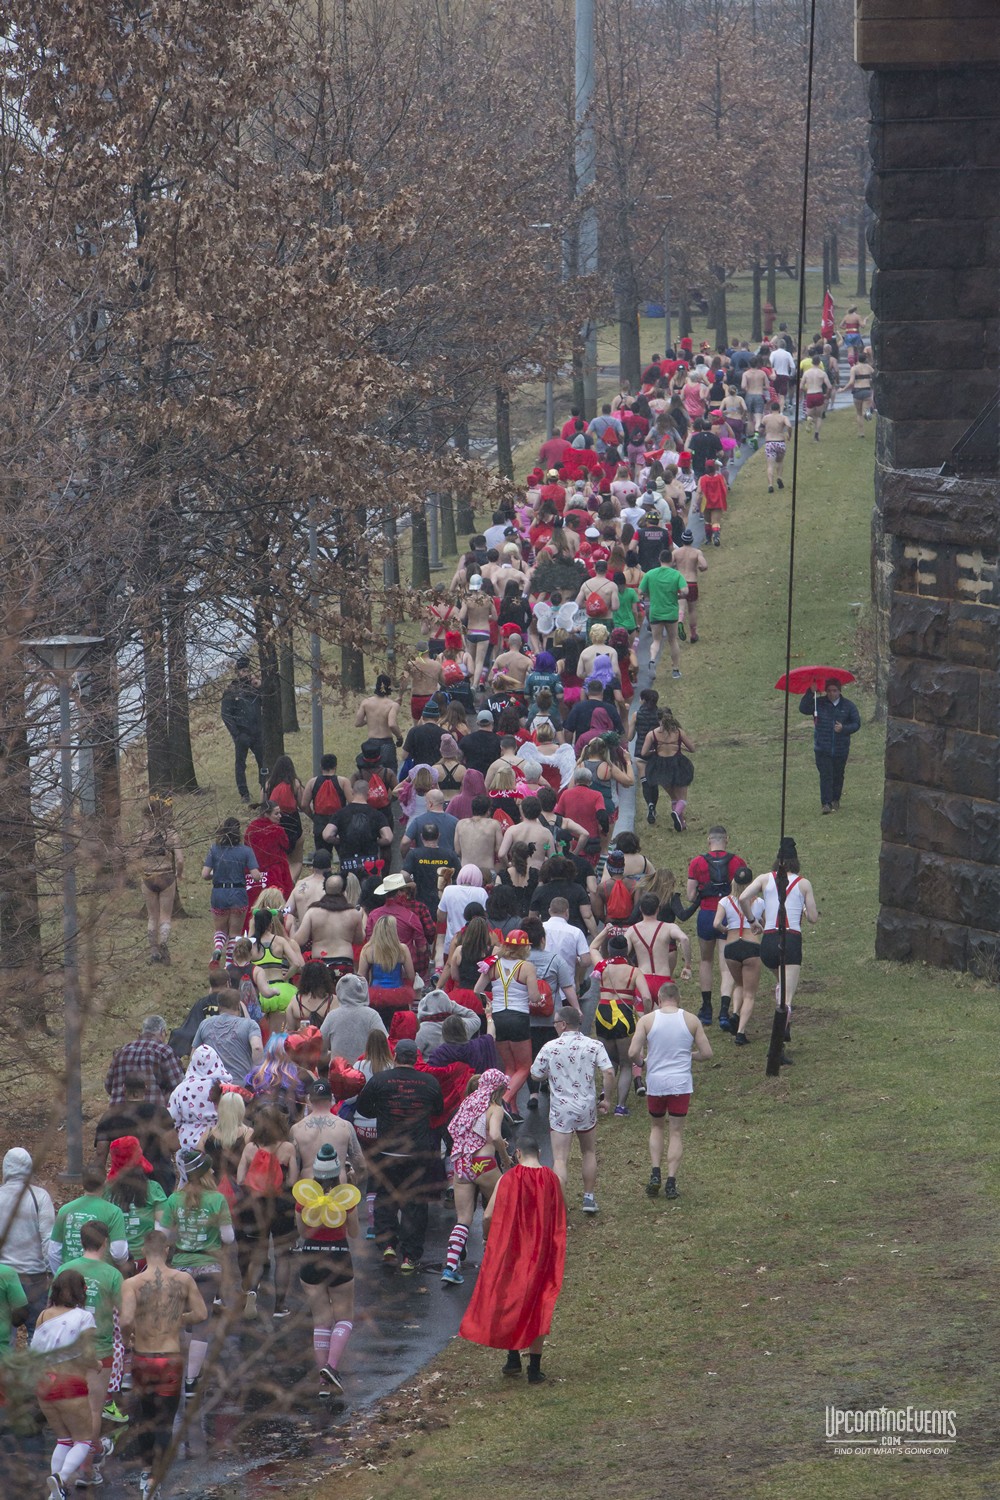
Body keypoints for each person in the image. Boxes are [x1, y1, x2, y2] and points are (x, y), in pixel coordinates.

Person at [459, 1125, 566, 1383]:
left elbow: (487, 1214)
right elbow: (561, 1214)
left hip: (513, 1252)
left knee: (511, 1300)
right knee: (539, 1303)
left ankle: (513, 1358)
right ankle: (534, 1369)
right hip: (541, 1253)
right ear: (538, 1152)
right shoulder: (552, 1179)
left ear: (517, 1153)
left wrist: (487, 1237)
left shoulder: (508, 1179)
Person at [120, 1229, 207, 1499]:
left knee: (145, 1418)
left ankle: (147, 1474)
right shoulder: (183, 1279)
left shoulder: (133, 1283)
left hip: (144, 1357)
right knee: (166, 1421)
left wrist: (129, 1339)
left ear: (143, 1252)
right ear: (167, 1250)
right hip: (170, 1358)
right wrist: (178, 1320)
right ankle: (157, 1478)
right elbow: (202, 1314)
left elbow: (124, 1320)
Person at [355, 1039, 443, 1273]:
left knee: (385, 1198)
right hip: (417, 1153)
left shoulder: (380, 1081)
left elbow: (362, 1108)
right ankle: (410, 1256)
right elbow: (438, 1110)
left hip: (387, 1151)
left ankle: (388, 1245)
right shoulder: (429, 1083)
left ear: (395, 1057)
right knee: (415, 1204)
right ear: (415, 1058)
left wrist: (383, 1112)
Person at [160, 1149, 236, 1397]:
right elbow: (228, 1237)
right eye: (210, 1168)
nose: (214, 1171)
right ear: (205, 1173)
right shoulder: (217, 1199)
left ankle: (176, 1371)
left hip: (181, 1265)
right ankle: (192, 1380)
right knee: (202, 1323)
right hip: (209, 1266)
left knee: (181, 1320)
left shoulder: (174, 1200)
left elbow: (165, 1236)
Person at [628, 981, 713, 1199]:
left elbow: (632, 1053)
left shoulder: (647, 1020)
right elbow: (707, 1053)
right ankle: (671, 1181)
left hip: (656, 1082)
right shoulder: (691, 1020)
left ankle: (655, 1172)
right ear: (679, 998)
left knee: (656, 1127)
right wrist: (688, 1055)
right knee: (676, 1132)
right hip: (680, 1083)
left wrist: (643, 1062)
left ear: (659, 999)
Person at [530, 1007, 614, 1214]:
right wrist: (607, 1099)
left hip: (560, 1109)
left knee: (560, 1158)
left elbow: (535, 1074)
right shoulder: (594, 1045)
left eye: (555, 1023)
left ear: (563, 1024)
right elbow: (609, 1071)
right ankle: (588, 1197)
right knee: (588, 1151)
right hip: (586, 1107)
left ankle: (559, 1204)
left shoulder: (550, 1047)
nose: (554, 1026)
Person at [294, 1143, 361, 1398]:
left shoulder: (304, 1200)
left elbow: (302, 1233)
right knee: (344, 1317)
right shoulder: (346, 1199)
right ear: (337, 1173)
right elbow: (354, 1233)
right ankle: (332, 1367)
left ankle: (324, 1381)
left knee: (321, 1319)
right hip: (339, 1256)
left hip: (310, 1257)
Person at [59, 1219, 124, 1481]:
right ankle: (87, 1468)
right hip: (100, 1348)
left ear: (81, 1241)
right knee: (94, 1409)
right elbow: (123, 1313)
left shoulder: (65, 1268)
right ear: (105, 1242)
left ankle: (66, 1464)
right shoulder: (112, 1274)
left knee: (72, 1407)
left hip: (69, 1349)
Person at [440, 1068, 512, 1287]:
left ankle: (450, 1267)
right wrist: (505, 1157)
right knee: (501, 1211)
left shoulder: (467, 1104)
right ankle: (495, 1261)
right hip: (483, 1164)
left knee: (463, 1218)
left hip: (462, 1164)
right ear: (498, 1089)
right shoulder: (495, 1108)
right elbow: (496, 1135)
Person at [31, 1268, 99, 1499]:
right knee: (83, 1440)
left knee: (63, 1439)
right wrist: (97, 1364)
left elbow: (35, 1352)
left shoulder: (42, 1315)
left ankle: (56, 1494)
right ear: (82, 1291)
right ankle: (60, 1478)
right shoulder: (84, 1317)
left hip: (43, 1383)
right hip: (69, 1383)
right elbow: (88, 1354)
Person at [740, 838, 819, 1028]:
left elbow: (743, 897)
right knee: (787, 999)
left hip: (768, 941)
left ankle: (783, 1016)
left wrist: (752, 921)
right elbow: (813, 918)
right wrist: (804, 910)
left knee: (782, 984)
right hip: (790, 940)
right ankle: (779, 1040)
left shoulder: (764, 879)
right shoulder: (803, 884)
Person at [236, 1103, 299, 1317]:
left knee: (257, 1252)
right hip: (281, 1206)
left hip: (255, 1207)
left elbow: (240, 1179)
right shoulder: (287, 1148)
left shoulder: (250, 1148)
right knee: (283, 1256)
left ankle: (251, 1290)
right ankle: (280, 1306)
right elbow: (293, 1180)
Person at [474, 930, 540, 1122]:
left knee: (510, 1066)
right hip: (518, 1018)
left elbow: (477, 990)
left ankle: (513, 1111)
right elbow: (534, 997)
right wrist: (539, 998)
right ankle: (504, 1100)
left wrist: (490, 1004)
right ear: (525, 947)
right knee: (525, 1066)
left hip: (497, 1018)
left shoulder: (492, 964)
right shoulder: (526, 967)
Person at [686, 827, 747, 1028]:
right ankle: (723, 1011)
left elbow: (690, 895)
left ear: (708, 840)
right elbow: (743, 893)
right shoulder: (738, 862)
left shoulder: (697, 862)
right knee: (725, 965)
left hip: (706, 915)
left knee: (705, 960)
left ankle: (706, 1009)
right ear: (726, 840)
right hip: (727, 916)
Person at [591, 934, 651, 1114]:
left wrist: (606, 930)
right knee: (625, 1062)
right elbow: (647, 997)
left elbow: (593, 947)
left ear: (609, 950)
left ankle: (605, 1100)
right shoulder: (634, 971)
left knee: (608, 1061)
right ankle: (621, 1106)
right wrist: (646, 1016)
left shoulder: (602, 966)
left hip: (602, 1013)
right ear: (627, 951)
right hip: (623, 1015)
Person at [94, 1074, 180, 1195]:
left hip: (124, 1179)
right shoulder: (160, 1113)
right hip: (159, 1177)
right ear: (145, 1088)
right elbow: (174, 1146)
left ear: (124, 1089)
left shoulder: (110, 1116)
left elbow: (100, 1153)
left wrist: (98, 1184)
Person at [0, 1148, 54, 1338]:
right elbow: (48, 1239)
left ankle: (6, 1367)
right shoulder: (40, 1197)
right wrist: (52, 1272)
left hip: (4, 1277)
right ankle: (35, 1368)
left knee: (5, 1334)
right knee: (37, 1331)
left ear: (5, 1168)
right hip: (34, 1278)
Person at [713, 865, 764, 1045]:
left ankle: (734, 1013)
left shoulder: (725, 901)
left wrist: (726, 929)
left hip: (731, 946)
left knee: (739, 984)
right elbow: (764, 921)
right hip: (751, 947)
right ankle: (741, 1032)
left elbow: (716, 923)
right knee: (750, 993)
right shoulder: (758, 902)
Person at [48, 1167, 129, 1271]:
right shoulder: (114, 1212)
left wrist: (60, 1273)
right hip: (102, 1277)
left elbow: (53, 1251)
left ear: (82, 1183)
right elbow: (119, 1253)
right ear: (105, 1182)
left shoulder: (65, 1210)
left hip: (70, 1278)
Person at [103, 1134, 168, 1264]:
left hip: (112, 1262)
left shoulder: (106, 1190)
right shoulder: (153, 1189)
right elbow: (165, 1225)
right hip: (146, 1260)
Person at [135, 795, 184, 966]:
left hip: (148, 877)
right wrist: (179, 874)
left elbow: (134, 857)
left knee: (152, 917)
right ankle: (163, 945)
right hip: (166, 876)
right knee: (165, 917)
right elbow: (180, 860)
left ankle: (153, 951)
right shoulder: (171, 834)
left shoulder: (141, 835)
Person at [800, 678, 861, 813]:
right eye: (829, 691)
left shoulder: (848, 706)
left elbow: (856, 724)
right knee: (825, 775)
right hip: (822, 748)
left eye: (834, 691)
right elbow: (803, 708)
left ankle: (835, 799)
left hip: (841, 748)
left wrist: (843, 728)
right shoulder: (819, 703)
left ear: (839, 691)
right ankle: (826, 803)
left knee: (838, 775)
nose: (832, 694)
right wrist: (811, 692)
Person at [292, 1079, 365, 1180]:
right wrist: (354, 1176)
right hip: (337, 1187)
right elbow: (360, 1165)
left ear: (310, 1099)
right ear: (331, 1098)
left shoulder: (297, 1129)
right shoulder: (345, 1126)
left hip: (309, 1188)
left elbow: (294, 1168)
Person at [167, 1045, 232, 1161]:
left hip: (188, 1142)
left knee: (191, 1176)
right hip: (218, 1139)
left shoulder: (181, 1089)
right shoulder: (225, 1088)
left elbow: (172, 1118)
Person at [627, 891, 692, 1004]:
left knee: (643, 1019)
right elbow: (684, 939)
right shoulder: (668, 927)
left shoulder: (632, 930)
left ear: (641, 909)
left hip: (642, 979)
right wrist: (687, 966)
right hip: (663, 980)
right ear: (658, 909)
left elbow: (623, 952)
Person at [105, 1016, 184, 1106]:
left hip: (118, 1114)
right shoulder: (164, 1051)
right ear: (163, 1032)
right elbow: (179, 1087)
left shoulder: (121, 1052)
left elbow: (108, 1086)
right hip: (152, 1115)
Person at [324, 778, 394, 880]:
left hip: (348, 863)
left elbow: (327, 835)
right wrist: (375, 841)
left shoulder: (341, 813)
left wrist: (340, 840)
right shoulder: (377, 814)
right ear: (369, 793)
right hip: (370, 862)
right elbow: (388, 838)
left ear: (352, 792)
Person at [640, 706, 695, 830]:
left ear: (657, 719)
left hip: (660, 767)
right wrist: (680, 746)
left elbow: (644, 753)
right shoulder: (678, 732)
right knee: (682, 797)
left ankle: (681, 823)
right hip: (678, 765)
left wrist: (655, 749)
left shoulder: (652, 734)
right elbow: (692, 748)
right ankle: (676, 814)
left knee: (673, 797)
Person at [192, 987, 263, 1081]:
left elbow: (194, 1053)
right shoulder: (250, 1024)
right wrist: (257, 1072)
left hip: (213, 1085)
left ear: (219, 1006)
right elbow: (257, 1048)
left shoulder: (205, 1023)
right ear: (238, 1006)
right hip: (239, 1084)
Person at [220, 655, 265, 802]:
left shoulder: (255, 687)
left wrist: (261, 686)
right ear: (238, 672)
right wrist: (237, 734)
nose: (246, 673)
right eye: (243, 670)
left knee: (263, 762)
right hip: (242, 733)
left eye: (248, 670)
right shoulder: (232, 691)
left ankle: (264, 787)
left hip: (257, 732)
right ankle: (244, 793)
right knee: (240, 764)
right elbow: (226, 714)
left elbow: (268, 701)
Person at [319, 973, 388, 1068]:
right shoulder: (371, 1015)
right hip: (365, 1071)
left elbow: (320, 1047)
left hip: (338, 1073)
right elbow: (385, 1042)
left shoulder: (332, 1016)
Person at [639, 548, 688, 677]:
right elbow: (685, 591)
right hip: (671, 612)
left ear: (659, 560)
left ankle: (652, 659)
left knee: (656, 640)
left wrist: (650, 594)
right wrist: (678, 595)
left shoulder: (650, 574)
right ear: (671, 560)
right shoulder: (676, 575)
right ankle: (676, 670)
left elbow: (640, 591)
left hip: (655, 612)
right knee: (672, 640)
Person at [353, 675, 404, 769]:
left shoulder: (366, 702)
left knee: (371, 772)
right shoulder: (392, 705)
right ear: (389, 687)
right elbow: (392, 724)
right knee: (390, 774)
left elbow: (358, 723)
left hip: (371, 743)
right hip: (386, 743)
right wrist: (399, 737)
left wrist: (370, 718)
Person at [245, 800, 293, 899]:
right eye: (276, 813)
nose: (280, 816)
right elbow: (287, 845)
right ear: (266, 814)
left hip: (254, 872)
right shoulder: (277, 830)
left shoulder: (251, 827)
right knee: (277, 902)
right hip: (274, 873)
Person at [670, 529, 708, 643]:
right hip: (692, 582)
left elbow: (669, 564)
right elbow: (704, 565)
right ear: (692, 540)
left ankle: (680, 620)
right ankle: (693, 634)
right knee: (692, 609)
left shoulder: (676, 553)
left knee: (680, 606)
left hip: (679, 582)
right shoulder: (696, 552)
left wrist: (676, 567)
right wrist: (700, 568)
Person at [759, 403, 792, 493]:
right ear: (779, 409)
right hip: (780, 442)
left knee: (770, 465)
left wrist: (762, 433)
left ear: (771, 409)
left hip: (769, 442)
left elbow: (760, 429)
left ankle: (770, 484)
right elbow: (789, 425)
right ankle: (779, 478)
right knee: (780, 461)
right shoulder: (783, 417)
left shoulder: (766, 418)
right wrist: (789, 435)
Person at [842, 350, 875, 434]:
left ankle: (861, 433)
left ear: (858, 359)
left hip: (857, 391)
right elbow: (875, 376)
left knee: (858, 413)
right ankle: (867, 413)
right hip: (867, 391)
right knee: (864, 411)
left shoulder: (854, 368)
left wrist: (843, 389)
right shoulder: (869, 367)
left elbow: (851, 382)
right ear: (865, 359)